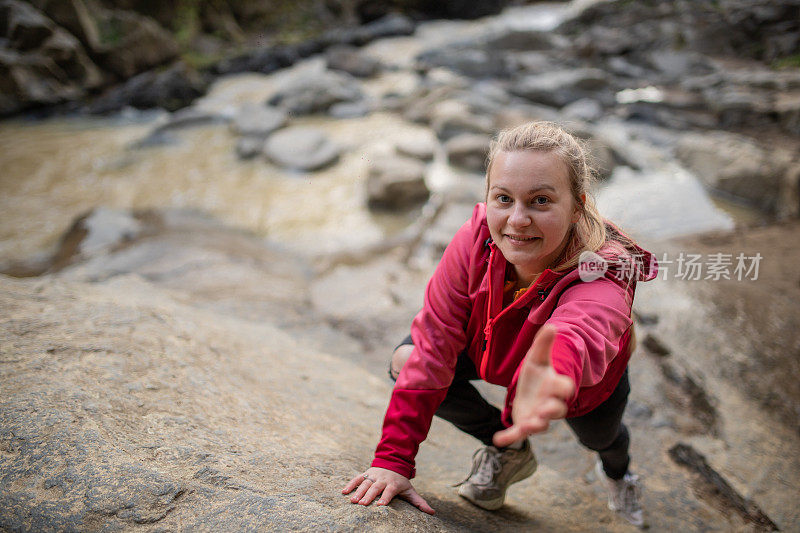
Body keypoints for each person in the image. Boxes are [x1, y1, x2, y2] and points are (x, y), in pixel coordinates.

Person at [342, 121, 657, 528]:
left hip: (575, 381)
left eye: (541, 201)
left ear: (577, 206)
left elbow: (582, 329)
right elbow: (436, 340)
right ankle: (507, 449)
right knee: (410, 358)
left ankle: (620, 476)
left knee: (602, 440)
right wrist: (394, 459)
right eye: (503, 198)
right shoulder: (474, 239)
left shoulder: (604, 271)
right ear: (487, 197)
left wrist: (552, 369)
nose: (518, 220)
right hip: (491, 347)